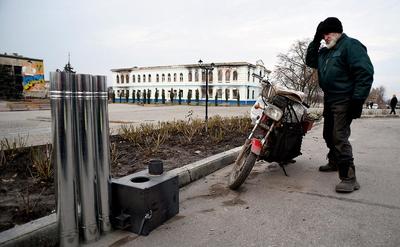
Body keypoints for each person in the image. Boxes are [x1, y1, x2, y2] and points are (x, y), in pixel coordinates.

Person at [306, 17, 374, 193]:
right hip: (330, 99)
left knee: (339, 136)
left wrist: (357, 101)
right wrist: (315, 40)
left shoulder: (351, 45)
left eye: (327, 34)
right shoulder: (325, 52)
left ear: (337, 32)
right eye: (322, 35)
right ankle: (335, 162)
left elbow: (364, 73)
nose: (325, 37)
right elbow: (310, 61)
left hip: (345, 99)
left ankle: (349, 178)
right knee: (328, 134)